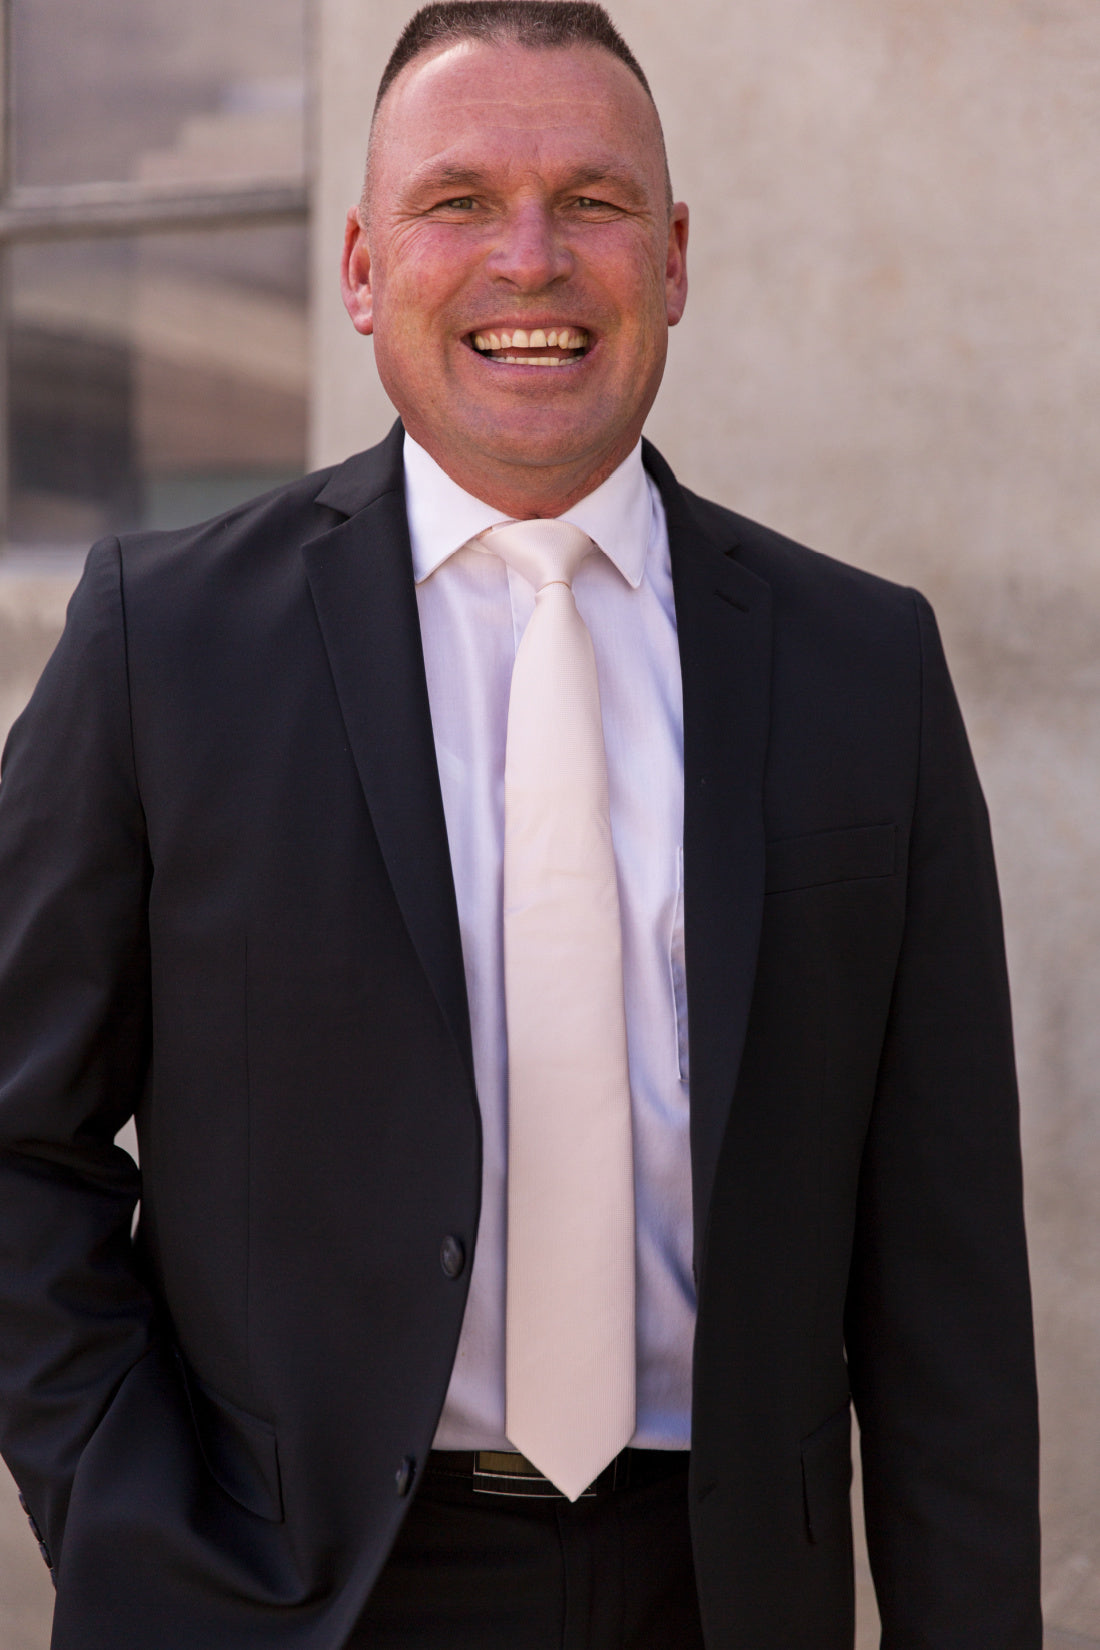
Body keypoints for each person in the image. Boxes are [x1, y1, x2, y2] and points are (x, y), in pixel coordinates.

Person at [0, 3, 1042, 1646]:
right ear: (360, 266)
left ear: (676, 259)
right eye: (460, 200)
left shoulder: (866, 670)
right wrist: (135, 1525)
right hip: (290, 1601)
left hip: (721, 1597)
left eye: (595, 201)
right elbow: (17, 1139)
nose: (532, 258)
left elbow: (949, 1279)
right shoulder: (164, 646)